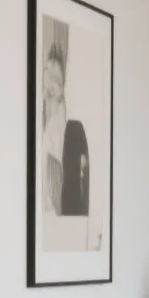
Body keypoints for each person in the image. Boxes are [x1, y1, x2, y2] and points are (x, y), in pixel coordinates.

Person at [39, 17, 89, 217]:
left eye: (56, 79)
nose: (51, 85)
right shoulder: (50, 122)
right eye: (47, 77)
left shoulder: (72, 119)